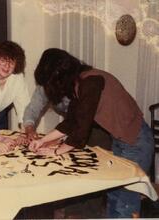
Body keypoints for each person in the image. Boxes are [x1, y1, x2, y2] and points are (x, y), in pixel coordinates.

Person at [28, 48, 154, 218]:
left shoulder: (91, 81)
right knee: (114, 194)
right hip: (121, 140)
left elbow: (82, 128)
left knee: (126, 199)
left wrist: (56, 151)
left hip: (136, 142)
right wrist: (43, 141)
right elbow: (71, 122)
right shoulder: (79, 84)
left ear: (60, 75)